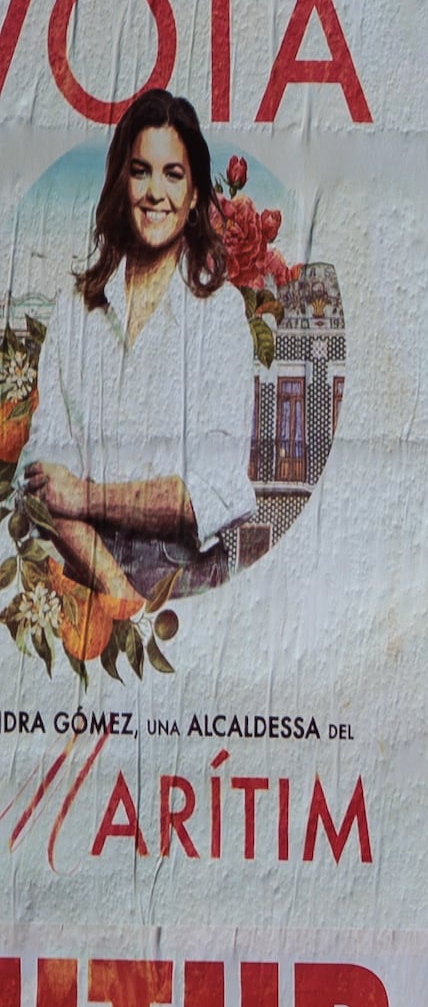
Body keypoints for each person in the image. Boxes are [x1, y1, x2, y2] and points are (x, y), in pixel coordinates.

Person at [22, 91, 256, 653]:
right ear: (120, 183)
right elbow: (44, 482)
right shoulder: (75, 310)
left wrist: (87, 495)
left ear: (195, 192)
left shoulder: (220, 316)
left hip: (192, 584)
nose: (155, 192)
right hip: (87, 575)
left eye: (173, 174)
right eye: (140, 171)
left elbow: (208, 494)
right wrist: (121, 597)